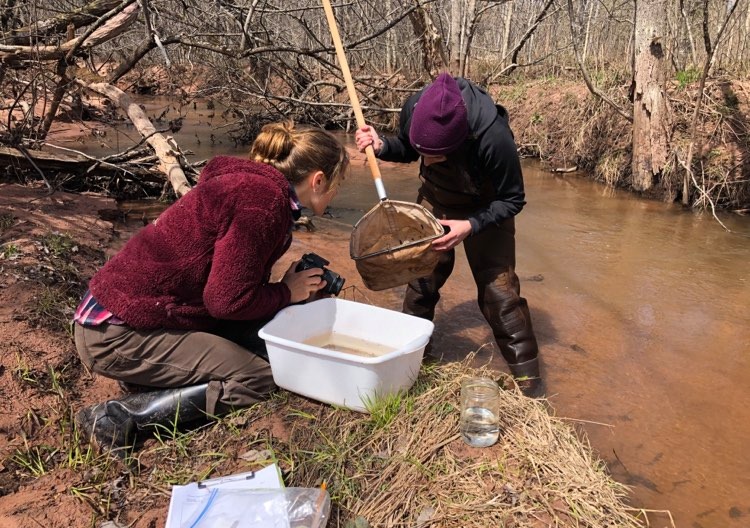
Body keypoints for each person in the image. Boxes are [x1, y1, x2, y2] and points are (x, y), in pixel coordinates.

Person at [74, 120, 349, 456]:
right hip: (114, 335)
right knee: (260, 377)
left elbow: (226, 287)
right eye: (339, 183)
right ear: (318, 180)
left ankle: (151, 380)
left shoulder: (248, 187)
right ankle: (119, 416)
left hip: (118, 317)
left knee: (260, 340)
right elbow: (225, 302)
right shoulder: (262, 204)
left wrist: (285, 292)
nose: (338, 191)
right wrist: (285, 293)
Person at [355, 73, 541, 395]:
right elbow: (408, 150)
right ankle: (412, 366)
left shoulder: (493, 136)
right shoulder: (414, 107)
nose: (426, 160)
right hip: (435, 198)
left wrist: (469, 225)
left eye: (436, 154)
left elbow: (513, 199)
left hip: (487, 206)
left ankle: (530, 388)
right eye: (423, 150)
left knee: (501, 298)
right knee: (421, 282)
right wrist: (383, 145)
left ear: (458, 141)